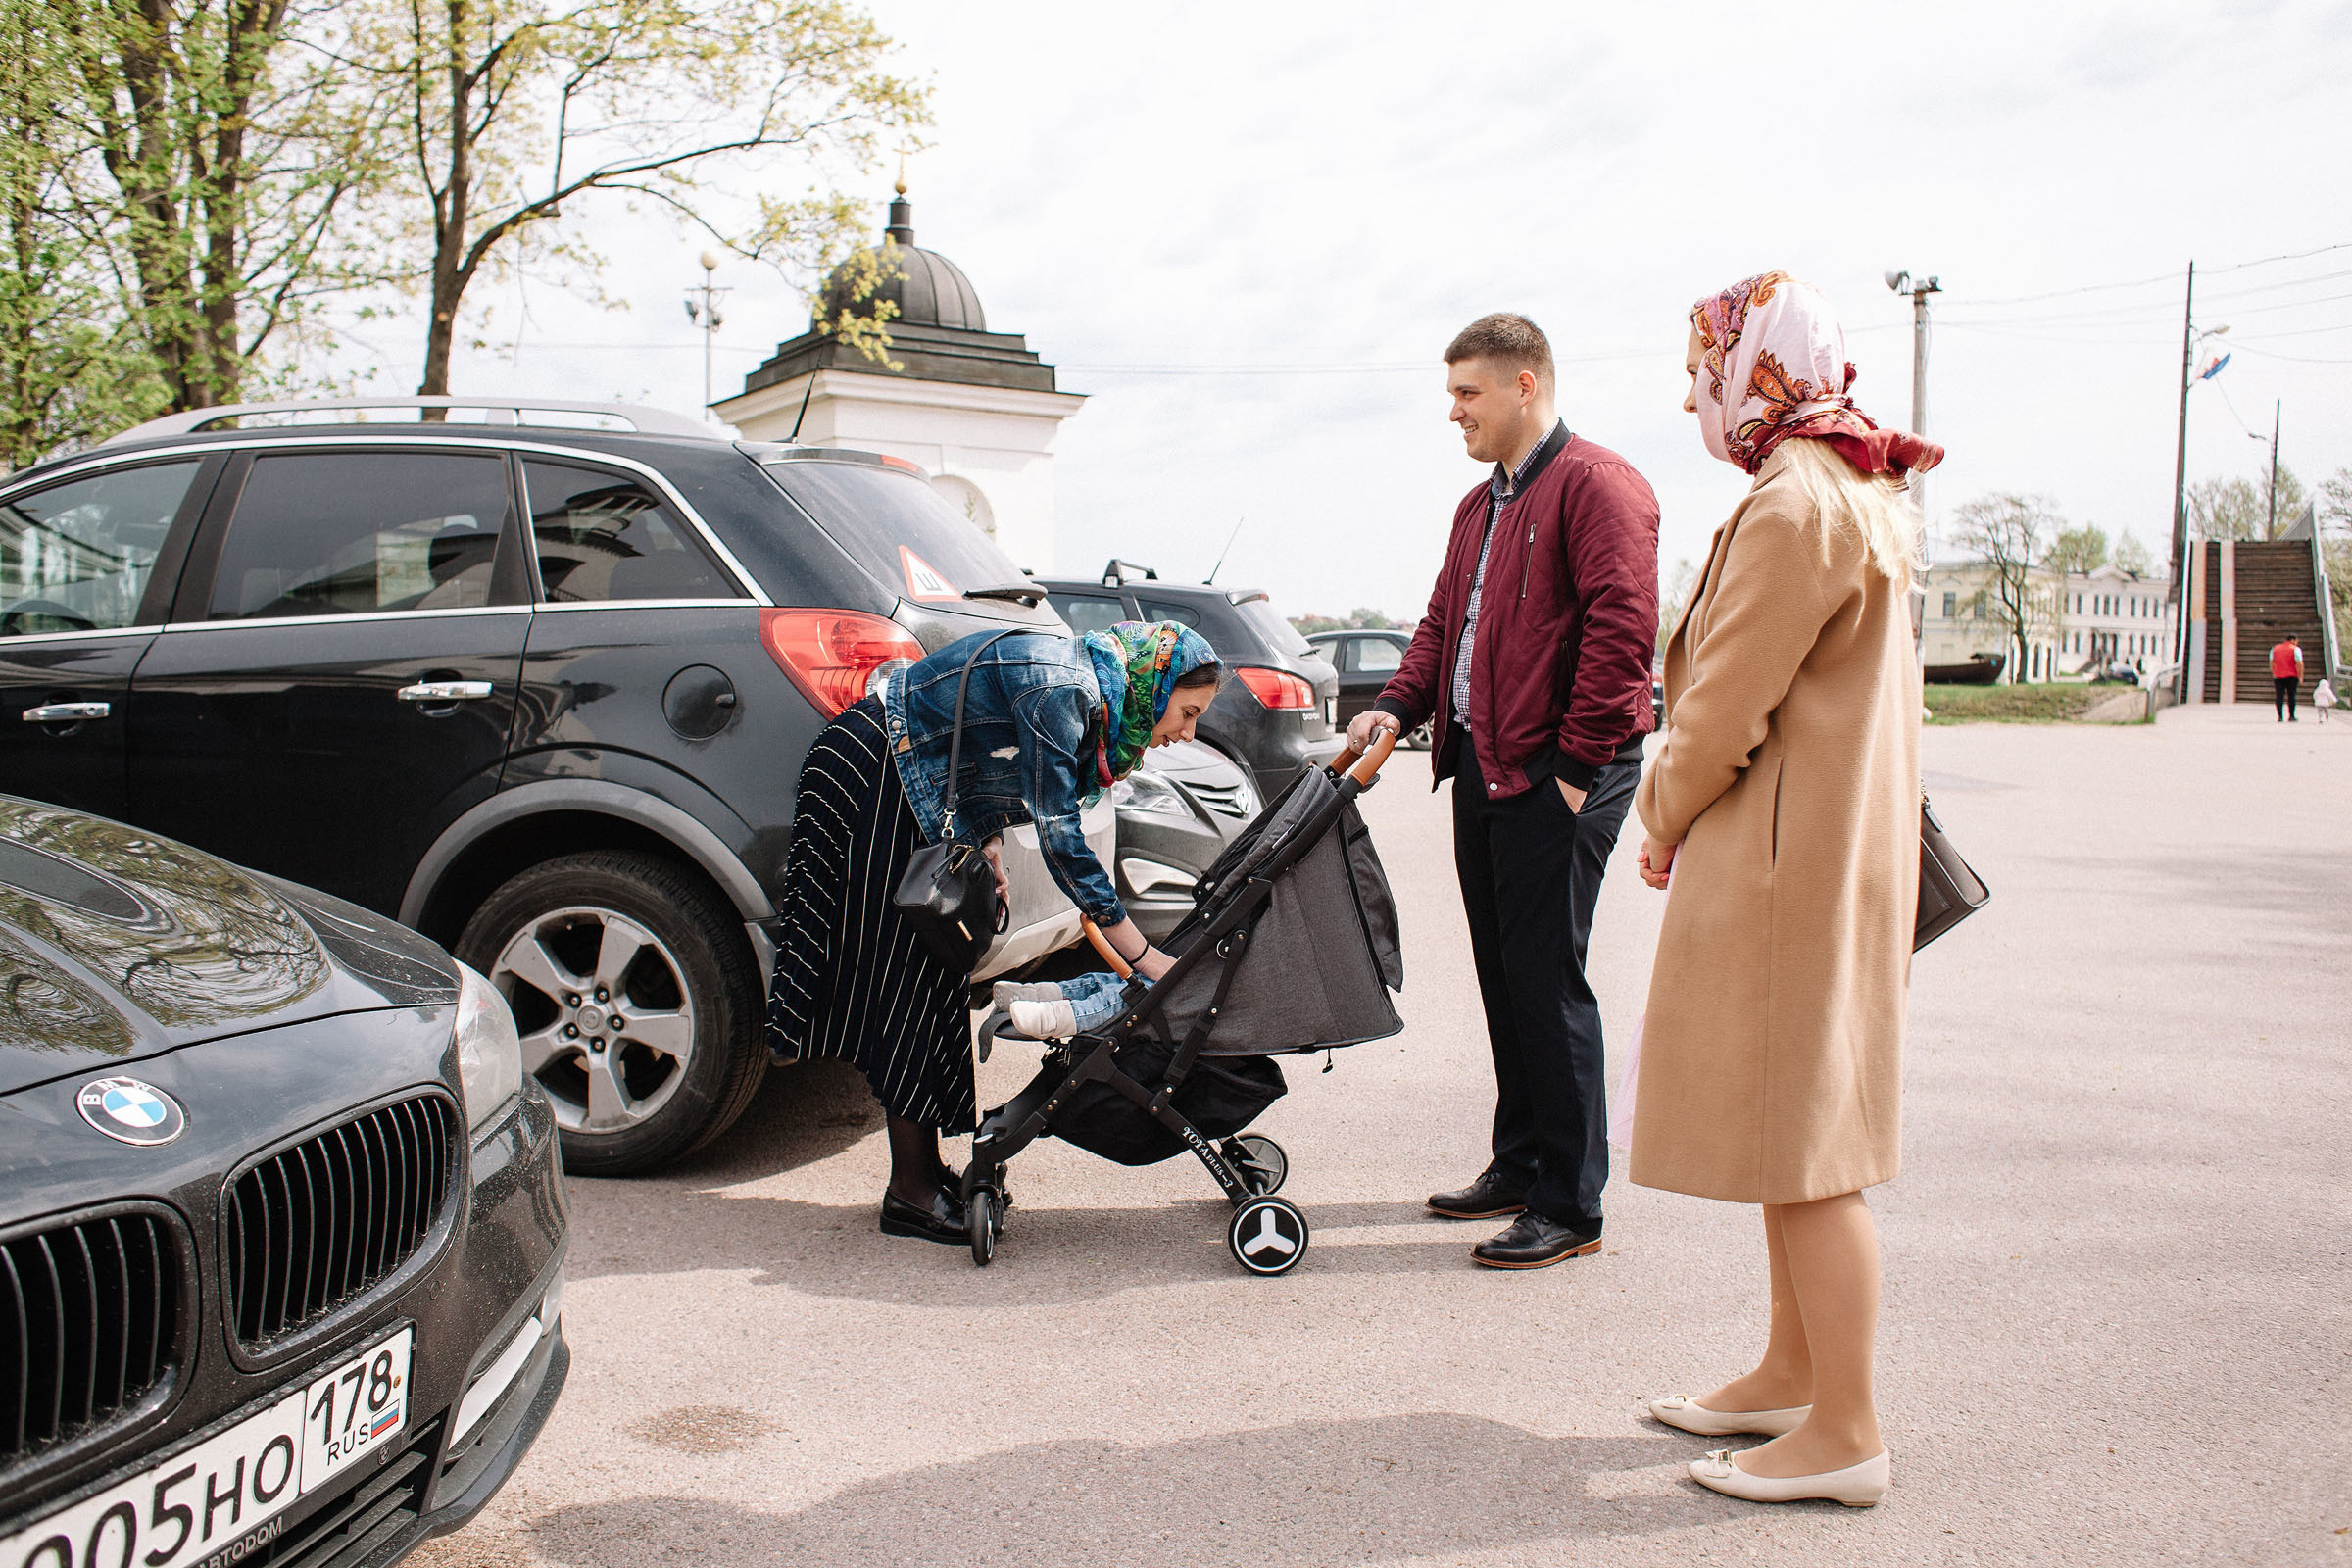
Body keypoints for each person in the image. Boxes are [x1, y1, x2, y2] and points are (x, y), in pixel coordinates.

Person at [1632, 271, 1939, 1508]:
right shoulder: (1853, 484)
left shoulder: (1795, 501)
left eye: (1707, 365)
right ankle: (1791, 1372)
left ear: (1749, 367)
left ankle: (1847, 1428)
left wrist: (1660, 815)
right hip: (1822, 847)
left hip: (1783, 854)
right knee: (1792, 1125)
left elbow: (1720, 707)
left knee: (1811, 1148)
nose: (1694, 390)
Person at [1347, 311, 1659, 1269]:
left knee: (1545, 977)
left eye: (1468, 393)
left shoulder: (1599, 485)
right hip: (1483, 767)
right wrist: (1395, 709)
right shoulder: (1479, 507)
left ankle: (1573, 1204)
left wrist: (1572, 774)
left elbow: (1623, 632)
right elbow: (1445, 622)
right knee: (1503, 973)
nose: (1455, 413)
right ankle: (1522, 1161)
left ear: (1527, 385)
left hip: (1561, 776)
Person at [766, 621, 1219, 1244]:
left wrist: (989, 846)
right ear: (1156, 683)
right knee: (907, 977)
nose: (1187, 731)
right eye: (1188, 711)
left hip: (907, 780)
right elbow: (1063, 839)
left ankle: (920, 1174)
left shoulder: (1083, 686)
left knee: (931, 972)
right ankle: (911, 1193)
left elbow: (972, 746)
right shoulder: (1065, 690)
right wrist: (1142, 955)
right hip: (871, 776)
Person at [2272, 634, 2303, 721]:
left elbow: (2271, 661)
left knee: (2279, 696)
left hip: (2278, 676)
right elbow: (2299, 663)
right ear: (2293, 640)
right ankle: (2291, 716)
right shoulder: (2296, 649)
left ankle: (2280, 716)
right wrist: (2300, 676)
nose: (2297, 643)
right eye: (2296, 641)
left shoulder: (2275, 648)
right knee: (2291, 696)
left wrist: (2274, 671)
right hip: (2292, 676)